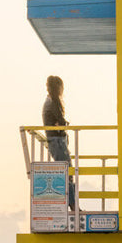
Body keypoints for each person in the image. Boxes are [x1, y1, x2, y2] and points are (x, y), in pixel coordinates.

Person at [42, 75, 76, 209]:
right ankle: (73, 205)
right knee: (67, 173)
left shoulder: (49, 101)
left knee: (67, 172)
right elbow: (61, 122)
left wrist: (60, 123)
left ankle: (72, 204)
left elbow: (59, 122)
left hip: (55, 141)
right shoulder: (53, 101)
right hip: (57, 141)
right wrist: (63, 123)